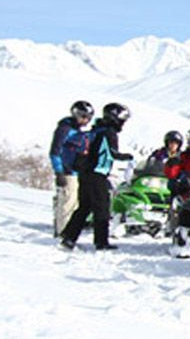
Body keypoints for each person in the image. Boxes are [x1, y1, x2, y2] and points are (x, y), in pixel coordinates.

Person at [59, 103, 134, 250]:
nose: (123, 123)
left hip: (85, 173)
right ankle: (101, 242)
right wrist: (129, 157)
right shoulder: (109, 133)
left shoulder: (97, 129)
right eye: (122, 119)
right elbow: (113, 153)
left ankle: (69, 237)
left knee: (84, 207)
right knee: (102, 208)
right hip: (97, 174)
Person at [49, 100, 94, 235]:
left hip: (75, 170)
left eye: (88, 118)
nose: (85, 120)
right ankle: (63, 231)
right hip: (66, 171)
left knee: (72, 201)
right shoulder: (65, 129)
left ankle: (62, 228)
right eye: (83, 116)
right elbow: (55, 152)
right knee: (68, 201)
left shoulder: (76, 130)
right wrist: (59, 172)